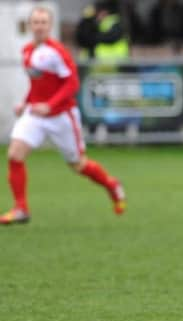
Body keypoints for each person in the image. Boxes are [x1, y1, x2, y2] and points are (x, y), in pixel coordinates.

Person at [0, 6, 126, 225]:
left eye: (43, 22)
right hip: (36, 114)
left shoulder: (57, 52)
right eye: (35, 22)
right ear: (30, 25)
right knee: (14, 154)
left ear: (50, 26)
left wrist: (50, 105)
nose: (39, 26)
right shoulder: (27, 51)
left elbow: (72, 83)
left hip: (61, 116)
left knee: (78, 164)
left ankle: (111, 185)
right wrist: (25, 102)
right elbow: (37, 84)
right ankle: (21, 209)